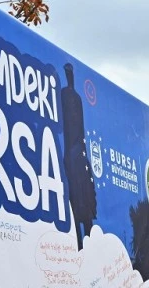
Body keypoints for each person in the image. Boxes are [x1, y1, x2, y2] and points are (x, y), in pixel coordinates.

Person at [60, 64, 97, 250]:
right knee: (78, 222)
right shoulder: (68, 97)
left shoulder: (74, 98)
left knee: (85, 223)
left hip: (82, 194)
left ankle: (84, 246)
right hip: (77, 190)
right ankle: (81, 246)